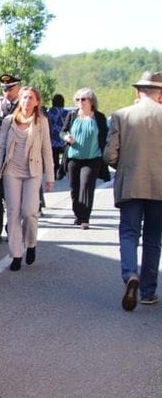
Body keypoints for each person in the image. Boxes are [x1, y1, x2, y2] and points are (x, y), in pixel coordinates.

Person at [103, 71, 162, 311]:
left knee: (128, 234)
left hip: (130, 184)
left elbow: (109, 155)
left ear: (138, 92)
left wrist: (125, 165)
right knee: (153, 239)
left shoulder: (121, 115)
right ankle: (148, 292)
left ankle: (130, 275)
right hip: (159, 187)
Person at [0, 86, 54, 271]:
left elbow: (47, 149)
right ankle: (16, 254)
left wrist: (50, 176)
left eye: (31, 98)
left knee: (29, 212)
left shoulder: (41, 122)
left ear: (37, 102)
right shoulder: (8, 121)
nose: (27, 101)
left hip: (33, 170)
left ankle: (30, 243)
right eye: (24, 98)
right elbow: (2, 148)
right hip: (11, 170)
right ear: (19, 100)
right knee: (13, 212)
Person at [62, 87, 109, 229]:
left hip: (92, 158)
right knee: (74, 188)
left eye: (83, 99)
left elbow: (105, 137)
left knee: (87, 185)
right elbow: (63, 131)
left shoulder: (99, 117)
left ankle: (85, 218)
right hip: (73, 158)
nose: (80, 102)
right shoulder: (72, 115)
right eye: (77, 99)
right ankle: (77, 214)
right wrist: (66, 137)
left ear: (91, 101)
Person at [0, 74, 22, 242]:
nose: (6, 91)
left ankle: (13, 227)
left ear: (18, 88)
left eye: (10, 88)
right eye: (4, 88)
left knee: (13, 196)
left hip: (17, 157)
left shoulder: (25, 105)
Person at [48, 94, 67, 179]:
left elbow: (48, 124)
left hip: (53, 138)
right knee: (65, 156)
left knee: (54, 158)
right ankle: (62, 170)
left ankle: (55, 172)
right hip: (64, 137)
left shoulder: (51, 112)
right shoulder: (66, 112)